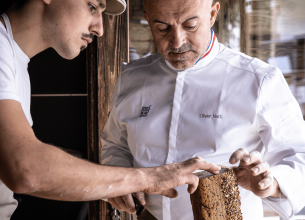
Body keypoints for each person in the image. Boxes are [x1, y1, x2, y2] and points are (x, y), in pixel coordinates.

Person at [0, 0, 222, 219]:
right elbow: (26, 170)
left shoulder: (13, 58)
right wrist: (149, 179)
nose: (100, 28)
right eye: (92, 6)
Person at [100, 0, 305, 219]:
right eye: (162, 28)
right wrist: (120, 181)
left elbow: (300, 154)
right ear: (148, 19)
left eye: (190, 25)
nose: (177, 41)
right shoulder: (131, 77)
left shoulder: (261, 80)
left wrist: (271, 184)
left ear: (212, 13)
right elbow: (114, 145)